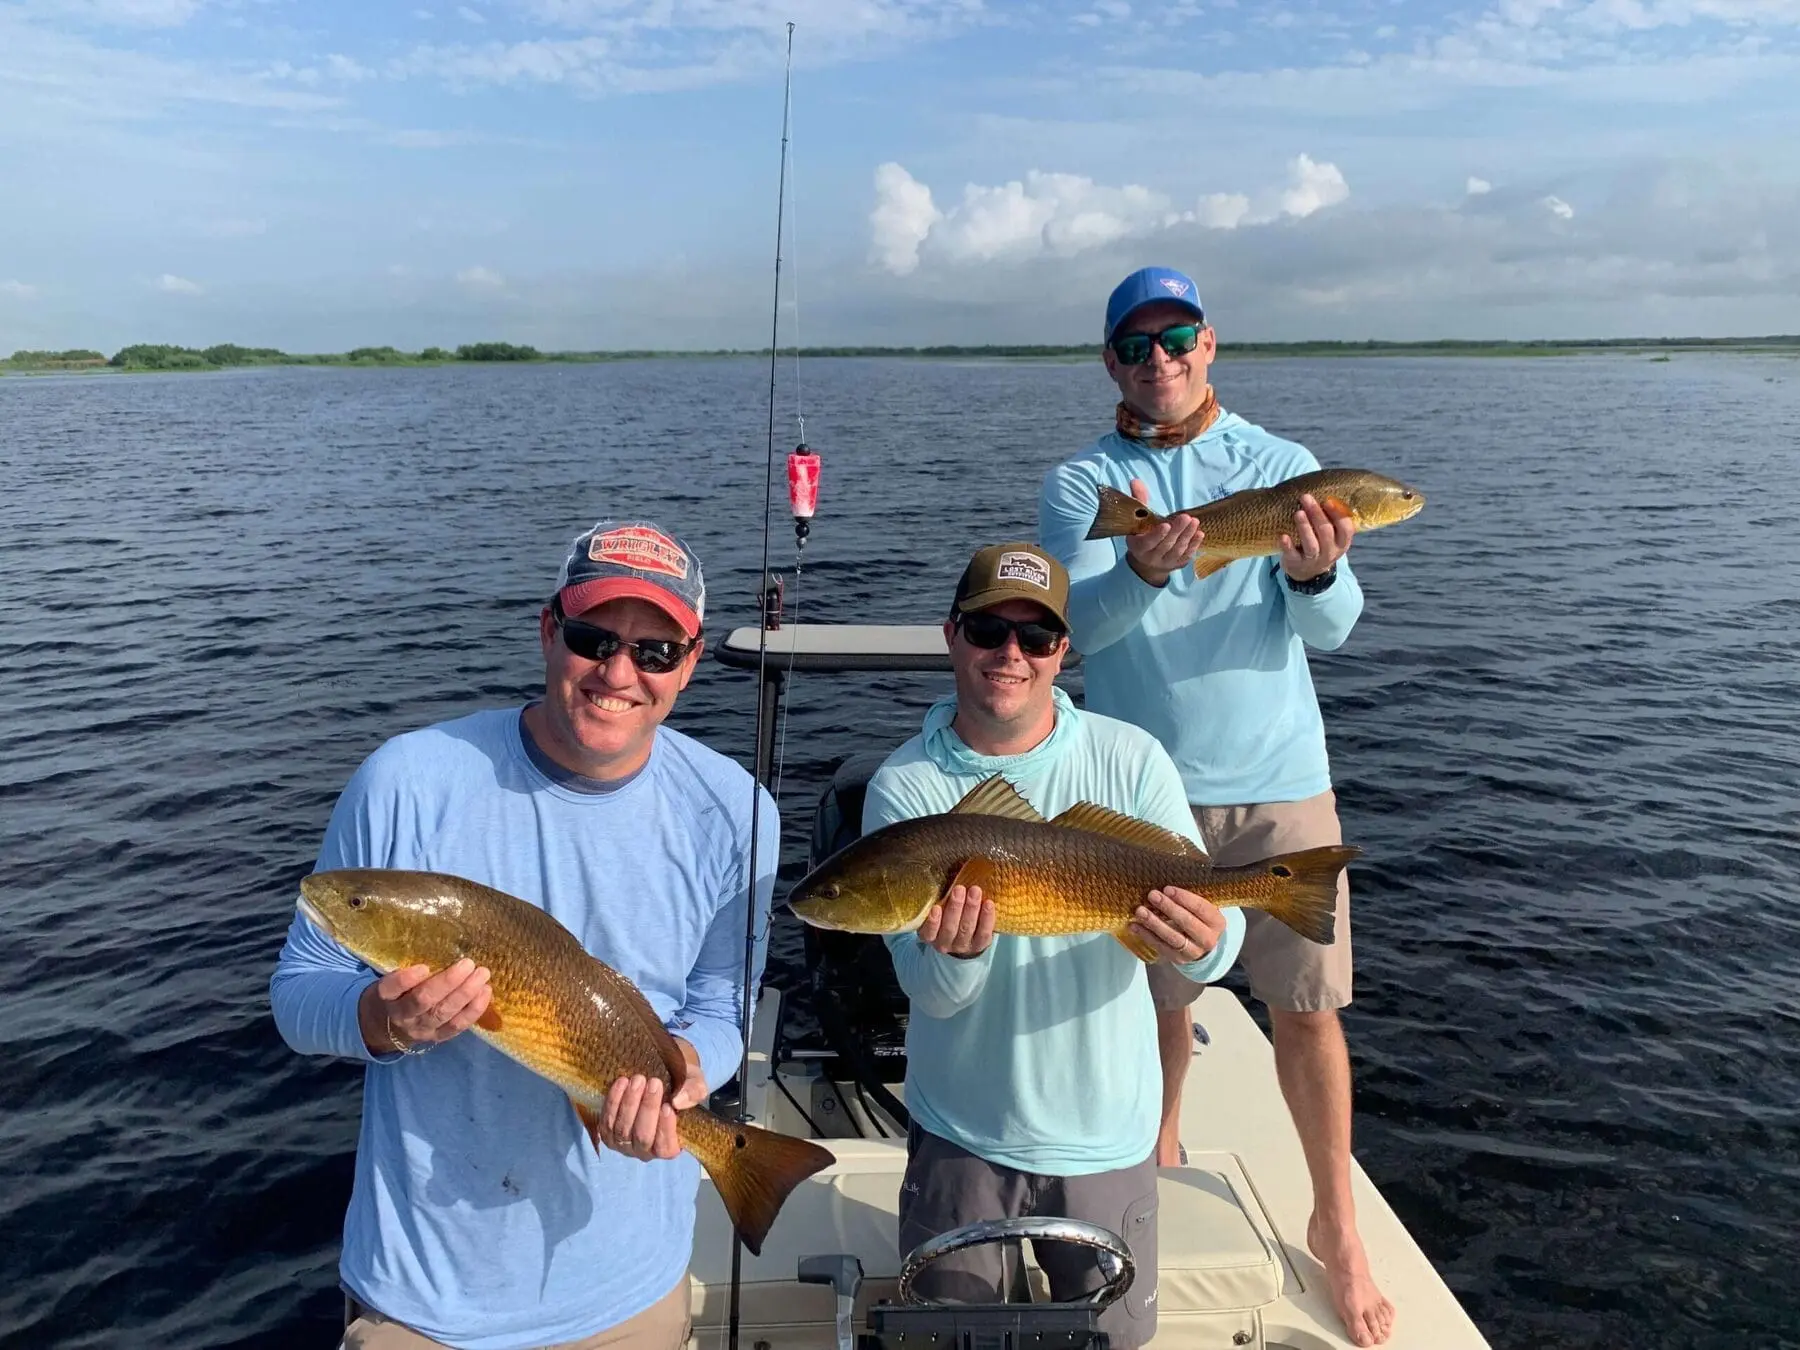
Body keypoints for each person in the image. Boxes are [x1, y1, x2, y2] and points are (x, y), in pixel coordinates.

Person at [270, 518, 779, 1350]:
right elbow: (297, 993)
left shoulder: (737, 811)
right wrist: (380, 1022)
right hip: (425, 1298)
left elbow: (723, 1006)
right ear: (548, 631)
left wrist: (683, 1074)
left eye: (654, 651)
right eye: (591, 638)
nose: (618, 673)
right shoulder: (406, 779)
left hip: (631, 1291)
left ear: (689, 666)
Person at [1036, 264, 1395, 1347]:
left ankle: (1336, 1221)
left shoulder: (1284, 469)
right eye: (1138, 344)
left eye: (1178, 335)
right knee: (1159, 999)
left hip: (1282, 781)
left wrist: (1319, 575)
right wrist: (1138, 571)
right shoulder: (1081, 485)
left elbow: (1333, 633)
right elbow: (1070, 635)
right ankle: (1162, 1142)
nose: (1162, 358)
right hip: (1147, 790)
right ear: (1112, 361)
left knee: (1308, 1004)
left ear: (1211, 344)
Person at [860, 540, 1246, 1350]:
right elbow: (929, 992)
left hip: (1106, 1135)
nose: (1011, 654)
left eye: (1035, 638)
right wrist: (959, 956)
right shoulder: (904, 788)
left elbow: (1213, 940)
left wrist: (1207, 941)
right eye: (988, 629)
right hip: (961, 1131)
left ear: (1063, 651)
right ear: (951, 634)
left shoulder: (1129, 757)